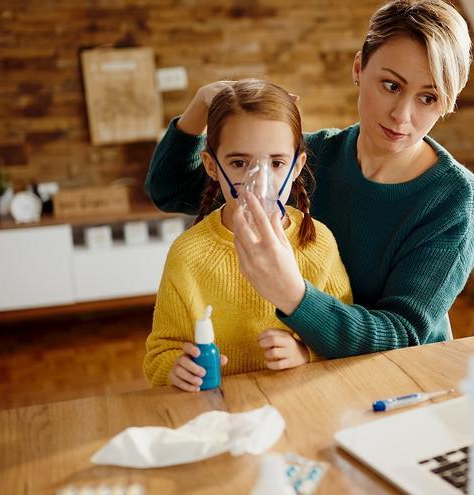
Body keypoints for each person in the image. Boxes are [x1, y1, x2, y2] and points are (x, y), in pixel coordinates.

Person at [146, 0, 474, 360]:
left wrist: (293, 295)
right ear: (358, 68)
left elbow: (403, 332)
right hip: (314, 372)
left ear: (448, 102)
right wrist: (202, 105)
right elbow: (172, 190)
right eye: (390, 85)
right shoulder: (306, 160)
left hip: (400, 378)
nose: (402, 115)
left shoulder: (454, 199)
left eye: (428, 98)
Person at [143, 79, 352, 391]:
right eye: (240, 163)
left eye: (277, 162)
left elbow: (343, 339)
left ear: (297, 167)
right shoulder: (188, 254)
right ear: (212, 166)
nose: (260, 182)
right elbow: (160, 353)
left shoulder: (317, 243)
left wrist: (305, 353)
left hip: (298, 403)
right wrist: (175, 368)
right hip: (220, 409)